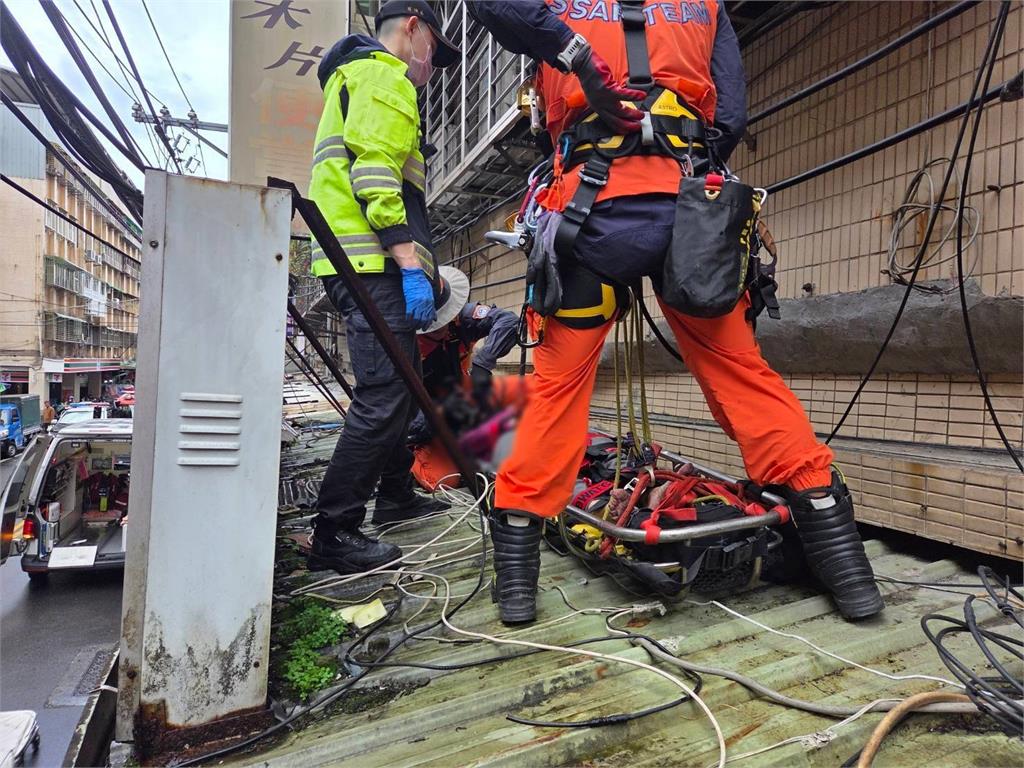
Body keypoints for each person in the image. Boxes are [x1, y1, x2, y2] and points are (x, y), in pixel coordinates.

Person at [469, 1, 884, 624]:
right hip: (689, 215)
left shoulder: (552, 6)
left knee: (556, 391)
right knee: (741, 373)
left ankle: (518, 595)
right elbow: (733, 115)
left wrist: (574, 54)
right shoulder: (707, 6)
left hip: (589, 215)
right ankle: (851, 579)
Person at [305, 0, 460, 575]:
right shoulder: (383, 76)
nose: (430, 65)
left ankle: (394, 495)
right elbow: (375, 176)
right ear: (413, 28)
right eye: (432, 52)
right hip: (372, 264)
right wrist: (410, 264)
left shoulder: (355, 78)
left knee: (401, 385)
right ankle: (334, 531)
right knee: (382, 396)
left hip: (356, 261)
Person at [407, 266, 523, 490]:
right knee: (441, 480)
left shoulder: (462, 319)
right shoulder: (402, 342)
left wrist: (483, 362)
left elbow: (508, 322)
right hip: (426, 416)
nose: (441, 329)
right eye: (434, 326)